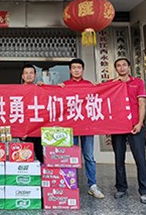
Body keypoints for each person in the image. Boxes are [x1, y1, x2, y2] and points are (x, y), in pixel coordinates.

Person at [60, 58, 104, 199]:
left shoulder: (89, 85)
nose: (76, 70)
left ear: (82, 70)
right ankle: (70, 184)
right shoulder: (64, 85)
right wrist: (52, 88)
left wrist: (98, 88)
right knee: (70, 157)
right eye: (74, 68)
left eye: (79, 67)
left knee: (89, 156)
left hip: (87, 127)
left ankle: (92, 185)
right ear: (70, 70)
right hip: (71, 127)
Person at [111, 57, 146, 204]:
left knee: (140, 158)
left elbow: (142, 104)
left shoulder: (138, 82)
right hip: (117, 127)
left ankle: (145, 190)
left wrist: (140, 123)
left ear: (129, 67)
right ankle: (121, 187)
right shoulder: (111, 84)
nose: (121, 68)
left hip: (135, 126)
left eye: (124, 65)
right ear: (115, 69)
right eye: (118, 66)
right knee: (119, 159)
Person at [21, 64, 43, 163]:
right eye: (26, 73)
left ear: (35, 75)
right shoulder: (17, 91)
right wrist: (20, 131)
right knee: (25, 158)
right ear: (22, 76)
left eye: (31, 73)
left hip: (39, 130)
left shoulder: (41, 89)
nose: (28, 75)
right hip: (25, 131)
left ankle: (43, 178)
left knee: (41, 157)